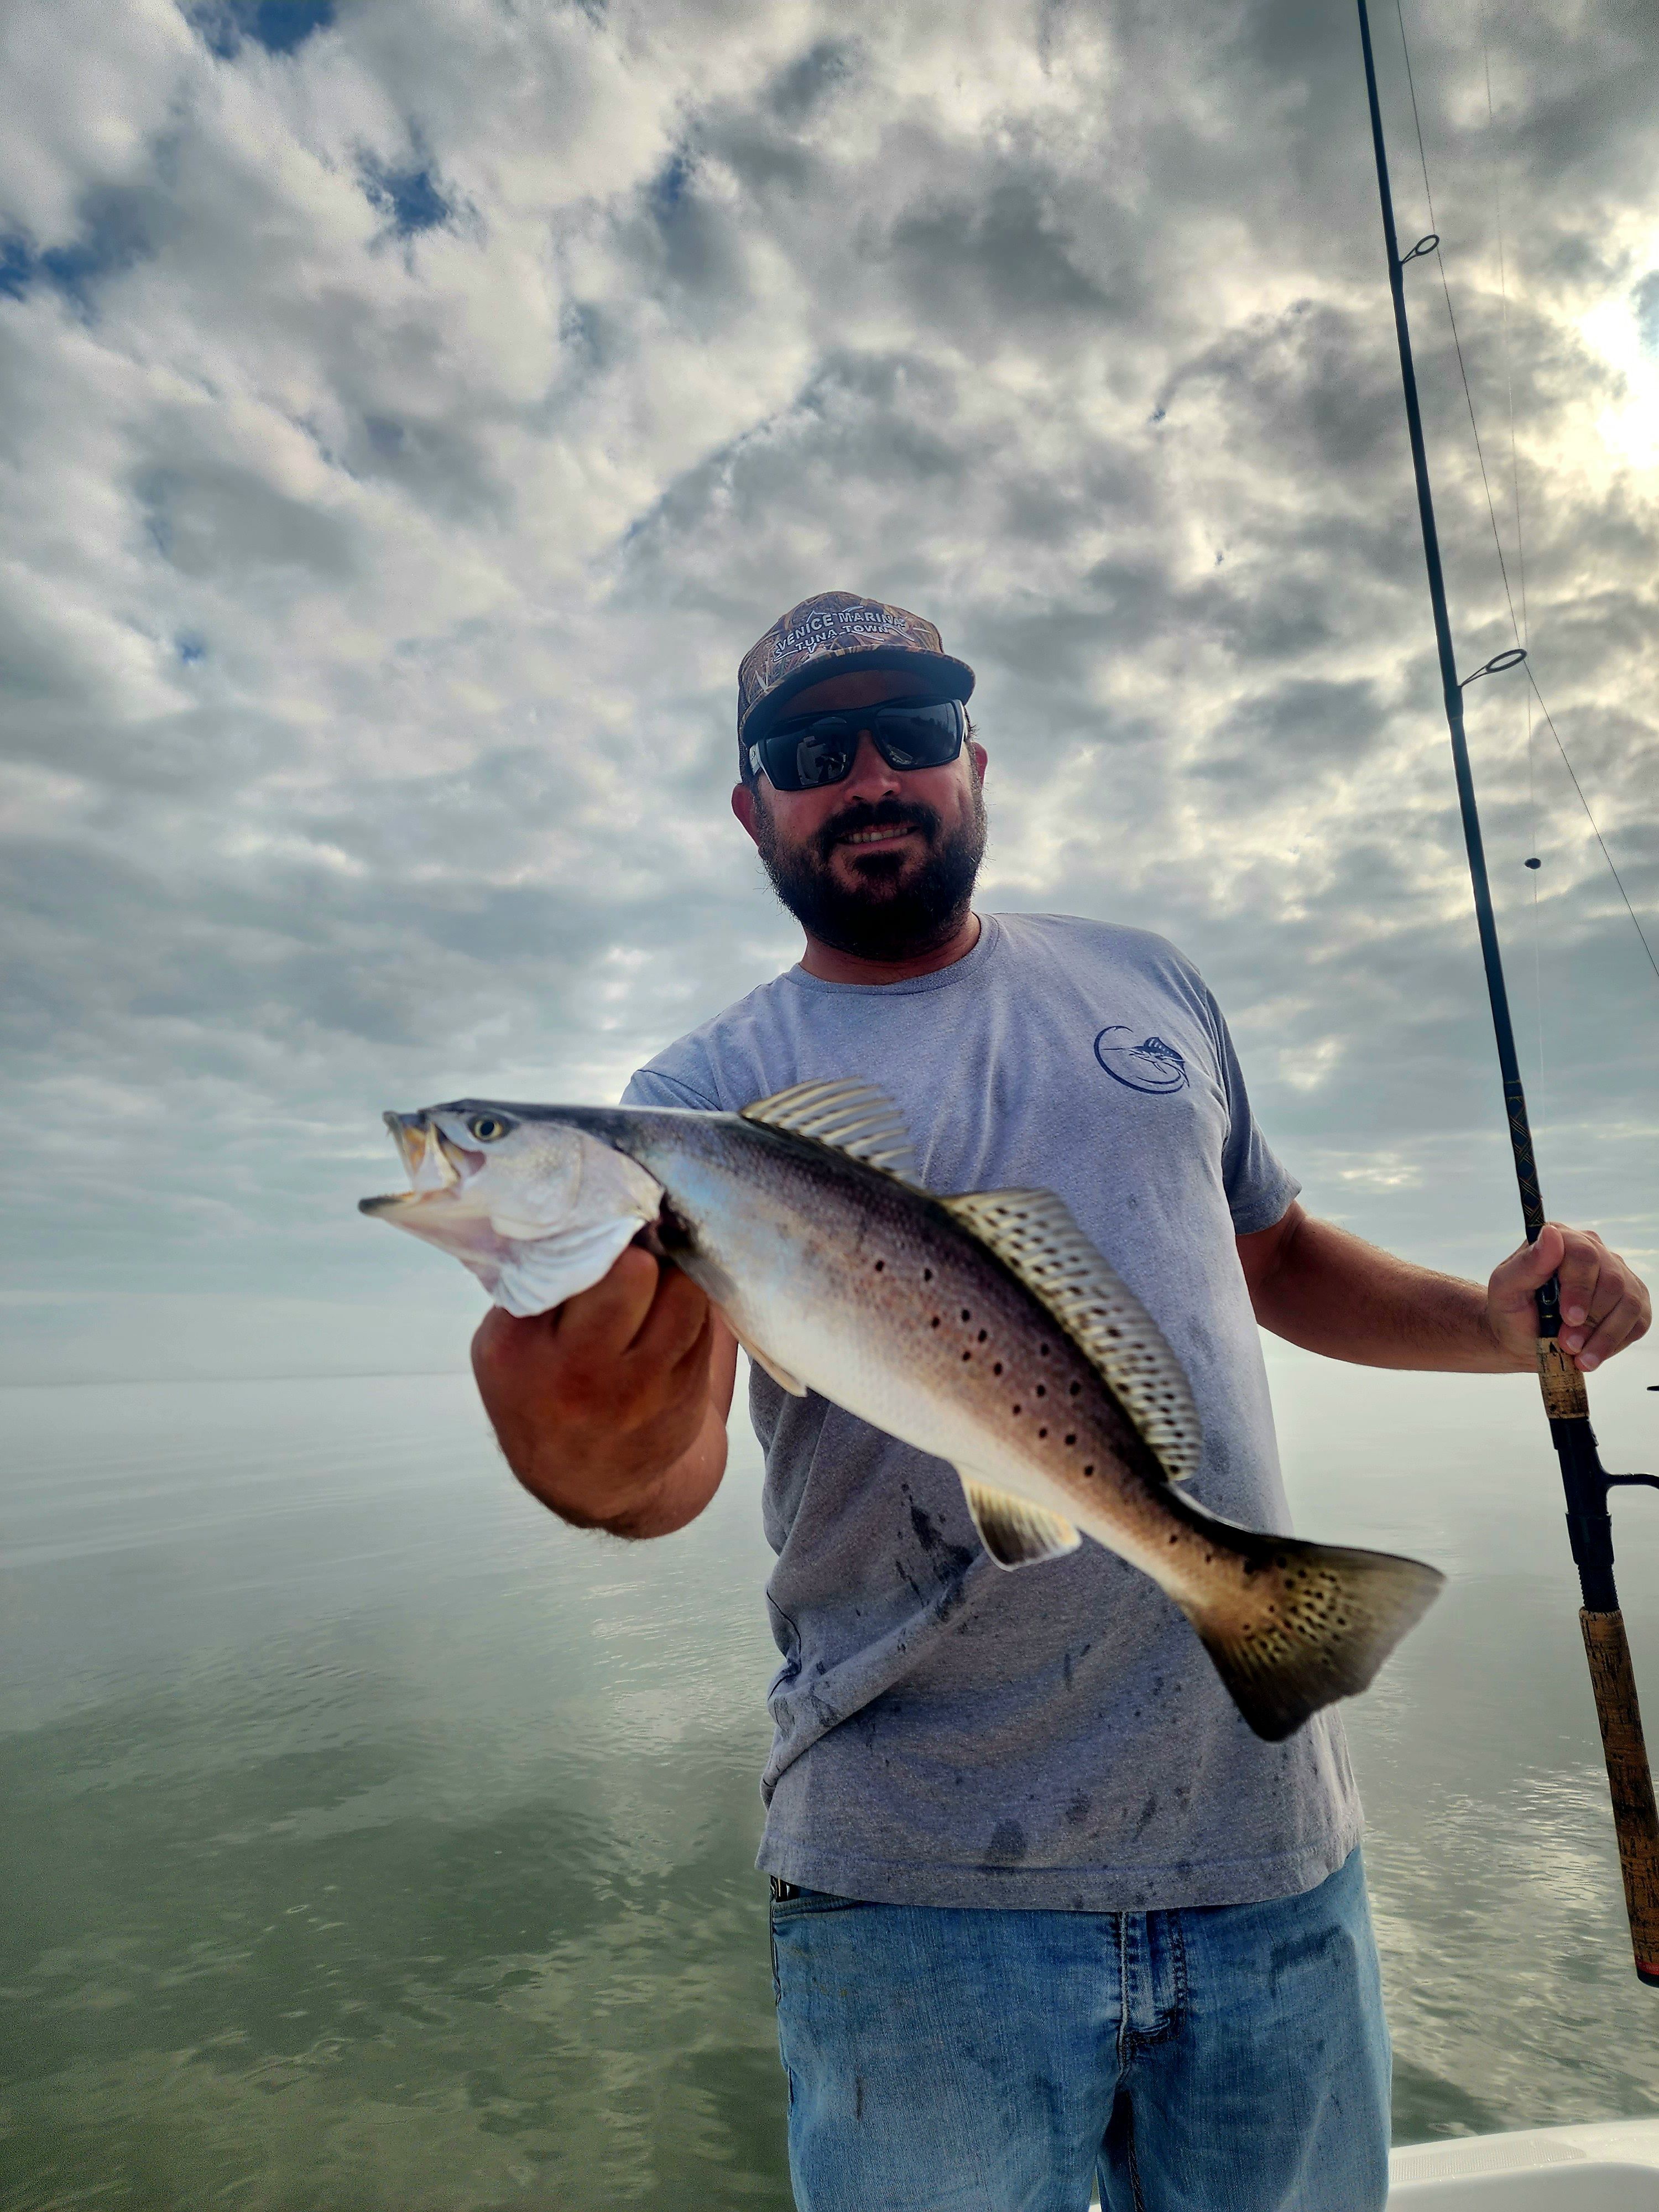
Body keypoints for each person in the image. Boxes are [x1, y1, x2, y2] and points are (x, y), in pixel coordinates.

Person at [472, 591, 1650, 2212]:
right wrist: (577, 1435)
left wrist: (1500, 1327)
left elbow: (1277, 1256)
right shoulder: (689, 1109)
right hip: (914, 1891)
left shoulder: (1149, 981)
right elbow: (654, 1470)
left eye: (912, 730)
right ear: (754, 808)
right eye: (815, 751)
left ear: (976, 757)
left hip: (1268, 1853)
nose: (871, 773)